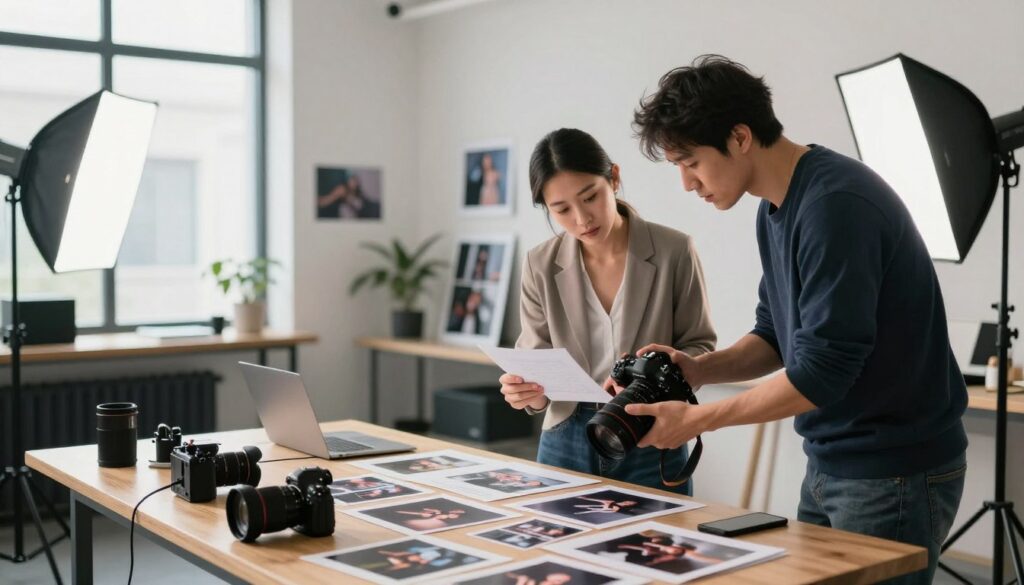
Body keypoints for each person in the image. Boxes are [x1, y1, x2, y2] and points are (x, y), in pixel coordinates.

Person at [628, 55, 967, 583]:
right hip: (833, 460)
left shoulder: (836, 205)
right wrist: (699, 370)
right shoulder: (776, 208)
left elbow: (822, 372)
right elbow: (776, 334)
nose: (687, 185)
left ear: (740, 137)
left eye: (691, 162)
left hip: (893, 469)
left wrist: (698, 421)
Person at [499, 128, 716, 495]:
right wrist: (527, 393)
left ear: (613, 178)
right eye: (562, 209)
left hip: (649, 429)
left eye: (590, 197)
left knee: (659, 548)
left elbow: (700, 347)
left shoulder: (673, 250)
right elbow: (535, 362)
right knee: (557, 549)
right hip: (565, 437)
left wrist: (660, 381)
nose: (582, 219)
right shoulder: (539, 263)